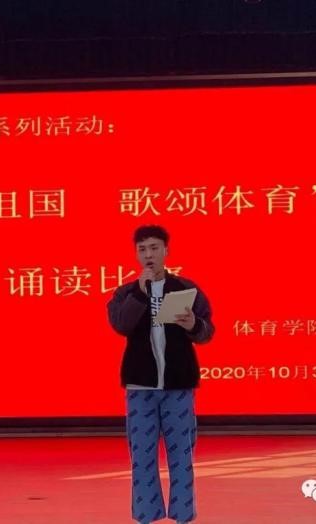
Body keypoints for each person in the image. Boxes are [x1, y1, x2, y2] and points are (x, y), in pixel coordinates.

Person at [107, 224, 215, 524]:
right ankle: (146, 515)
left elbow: (207, 332)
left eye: (154, 248)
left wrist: (193, 324)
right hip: (140, 387)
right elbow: (121, 325)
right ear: (136, 254)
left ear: (166, 251)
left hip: (178, 385)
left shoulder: (185, 289)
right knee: (142, 457)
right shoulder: (126, 293)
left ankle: (183, 515)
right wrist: (141, 295)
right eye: (142, 249)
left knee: (182, 455)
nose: (148, 255)